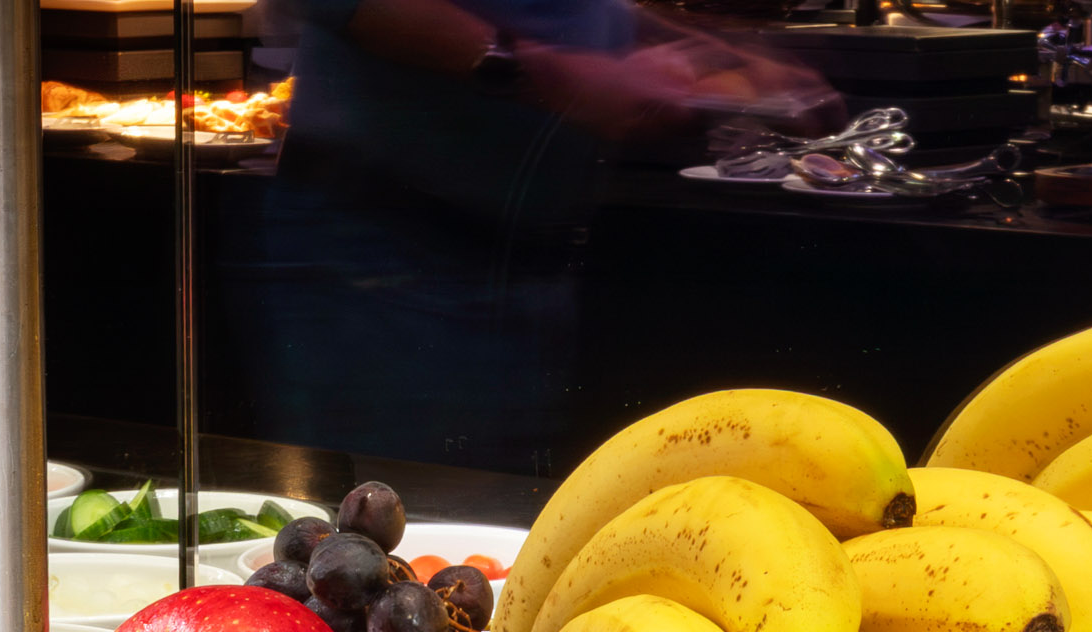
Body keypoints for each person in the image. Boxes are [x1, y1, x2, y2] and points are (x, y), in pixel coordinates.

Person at [230, 0, 832, 473]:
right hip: (385, 265)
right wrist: (544, 69)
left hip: (510, 272)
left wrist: (700, 48)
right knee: (387, 552)